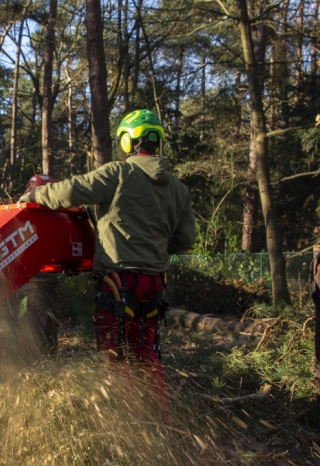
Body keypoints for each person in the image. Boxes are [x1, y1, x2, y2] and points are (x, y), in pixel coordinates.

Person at [18, 109, 196, 412]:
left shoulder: (119, 173)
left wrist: (34, 195)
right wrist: (152, 245)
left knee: (115, 353)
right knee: (147, 352)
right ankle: (157, 418)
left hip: (118, 281)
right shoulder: (178, 188)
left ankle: (125, 422)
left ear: (127, 141)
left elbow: (71, 191)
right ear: (157, 141)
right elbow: (185, 240)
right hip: (154, 284)